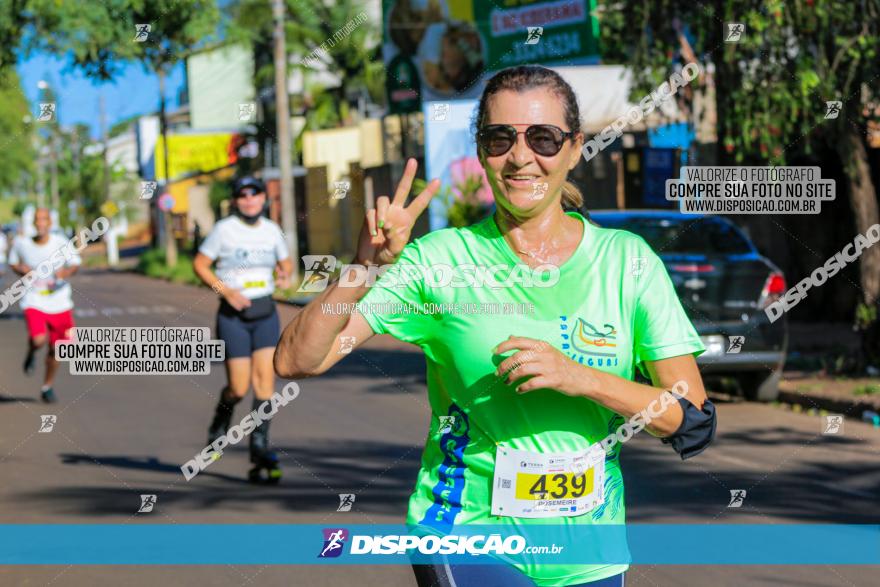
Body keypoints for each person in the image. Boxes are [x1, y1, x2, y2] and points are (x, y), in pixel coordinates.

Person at [274, 65, 716, 586]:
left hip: (589, 552)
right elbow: (298, 360)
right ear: (482, 151)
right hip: (465, 535)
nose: (521, 156)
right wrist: (363, 267)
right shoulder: (438, 261)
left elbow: (690, 422)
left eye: (544, 138)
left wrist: (582, 379)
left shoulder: (628, 262)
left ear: (575, 148)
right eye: (500, 137)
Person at [193, 177, 293, 483]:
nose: (249, 200)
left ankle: (260, 448)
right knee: (238, 388)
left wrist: (285, 274)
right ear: (236, 200)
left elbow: (286, 263)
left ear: (264, 198)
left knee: (265, 386)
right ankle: (219, 425)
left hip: (265, 312)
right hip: (233, 314)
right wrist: (226, 291)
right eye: (242, 195)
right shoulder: (224, 230)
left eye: (255, 194)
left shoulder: (272, 231)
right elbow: (200, 264)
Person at [9, 207, 81, 403]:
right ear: (33, 223)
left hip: (60, 302)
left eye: (44, 219)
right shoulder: (22, 243)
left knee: (58, 350)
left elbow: (75, 263)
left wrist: (64, 274)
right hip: (34, 300)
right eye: (37, 220)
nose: (40, 223)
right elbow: (13, 262)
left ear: (50, 223)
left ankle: (47, 386)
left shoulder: (61, 243)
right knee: (39, 339)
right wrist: (21, 269)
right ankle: (31, 351)